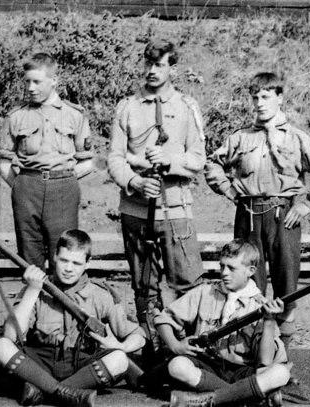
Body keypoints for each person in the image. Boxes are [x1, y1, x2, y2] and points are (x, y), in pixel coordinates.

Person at [205, 72, 310, 349]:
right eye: (255, 97)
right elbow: (212, 164)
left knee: (286, 284)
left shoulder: (297, 138)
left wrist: (307, 203)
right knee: (247, 285)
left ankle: (283, 357)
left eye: (266, 96)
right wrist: (230, 190)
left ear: (279, 98)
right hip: (249, 217)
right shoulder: (241, 138)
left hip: (284, 218)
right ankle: (249, 353)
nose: (259, 103)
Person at [107, 40, 206, 335]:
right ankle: (152, 345)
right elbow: (114, 157)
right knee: (143, 284)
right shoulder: (127, 107)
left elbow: (199, 158)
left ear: (171, 68)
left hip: (175, 210)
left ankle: (188, 347)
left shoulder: (187, 107)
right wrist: (134, 182)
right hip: (137, 211)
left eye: (159, 65)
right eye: (148, 64)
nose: (152, 71)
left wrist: (171, 160)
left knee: (187, 282)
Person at [0, 229, 146, 407]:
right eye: (64, 260)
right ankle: (65, 394)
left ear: (88, 263)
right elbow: (11, 336)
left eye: (76, 263)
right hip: (41, 362)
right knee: (0, 346)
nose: (69, 268)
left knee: (119, 359)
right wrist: (32, 290)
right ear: (54, 256)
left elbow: (139, 336)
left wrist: (120, 346)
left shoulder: (100, 294)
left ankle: (42, 392)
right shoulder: (36, 288)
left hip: (81, 365)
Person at [154, 239, 290, 407]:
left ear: (250, 270)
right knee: (177, 365)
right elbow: (163, 319)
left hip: (243, 371)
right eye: (222, 266)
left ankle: (204, 401)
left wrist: (269, 321)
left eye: (232, 268)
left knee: (281, 373)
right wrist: (175, 345)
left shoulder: (260, 305)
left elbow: (265, 361)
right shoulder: (205, 292)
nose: (224, 273)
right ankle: (245, 398)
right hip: (208, 366)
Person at [0, 53, 94, 272]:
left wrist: (61, 181)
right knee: (29, 257)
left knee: (65, 254)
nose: (30, 87)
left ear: (54, 81)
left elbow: (87, 164)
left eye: (37, 82)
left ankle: (62, 304)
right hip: (27, 188)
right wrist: (24, 186)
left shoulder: (74, 115)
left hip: (62, 190)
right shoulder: (16, 116)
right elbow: (4, 167)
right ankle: (34, 304)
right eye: (27, 81)